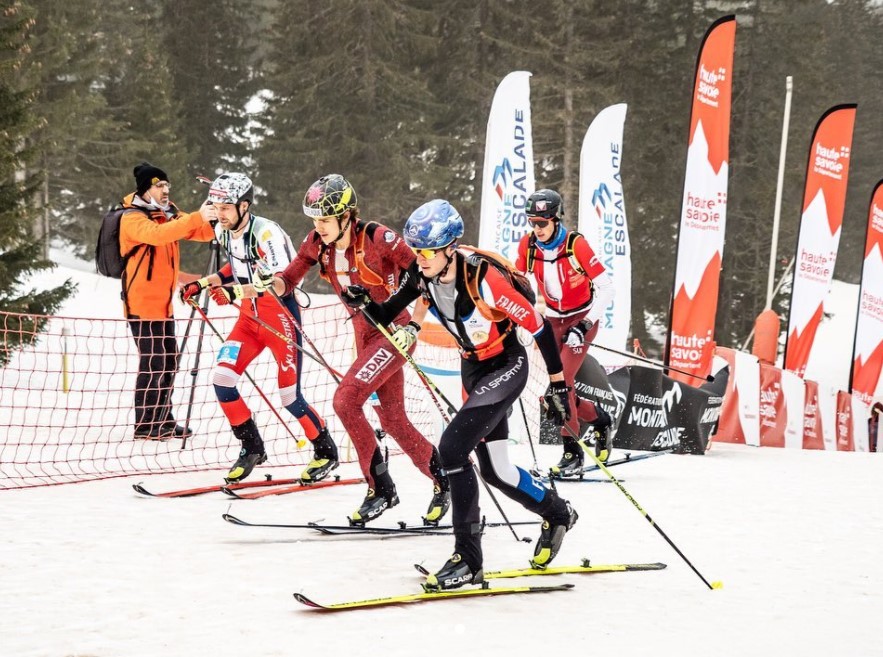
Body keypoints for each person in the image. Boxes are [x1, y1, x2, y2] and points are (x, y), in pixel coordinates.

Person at [344, 199, 577, 590]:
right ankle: (557, 513)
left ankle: (468, 560)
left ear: (449, 248)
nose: (419, 260)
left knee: (452, 449)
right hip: (473, 368)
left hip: (505, 366)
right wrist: (365, 303)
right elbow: (386, 315)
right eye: (417, 251)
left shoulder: (485, 279)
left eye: (427, 252)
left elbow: (536, 327)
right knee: (496, 470)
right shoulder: (422, 275)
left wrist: (558, 385)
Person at [263, 174, 450, 525]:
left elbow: (423, 275)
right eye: (314, 220)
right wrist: (266, 283)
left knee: (345, 401)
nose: (317, 227)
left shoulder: (379, 238)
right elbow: (288, 279)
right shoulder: (318, 243)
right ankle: (445, 480)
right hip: (364, 335)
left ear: (346, 215)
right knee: (393, 420)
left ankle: (380, 487)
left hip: (392, 332)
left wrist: (414, 326)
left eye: (324, 220)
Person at [179, 173, 336, 484]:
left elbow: (280, 282)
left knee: (290, 398)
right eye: (215, 206)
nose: (219, 213)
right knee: (222, 381)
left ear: (244, 206)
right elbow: (235, 267)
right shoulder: (224, 231)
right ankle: (251, 447)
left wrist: (236, 293)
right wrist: (202, 282)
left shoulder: (266, 233)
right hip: (249, 320)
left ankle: (325, 451)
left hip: (278, 317)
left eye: (225, 207)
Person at [515, 189, 615, 476]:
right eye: (532, 222)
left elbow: (607, 289)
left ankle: (572, 454)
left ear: (555, 219)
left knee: (562, 383)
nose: (537, 229)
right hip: (553, 321)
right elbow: (519, 283)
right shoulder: (529, 245)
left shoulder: (575, 245)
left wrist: (583, 327)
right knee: (558, 391)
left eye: (542, 223)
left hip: (582, 317)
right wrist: (522, 318)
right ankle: (600, 421)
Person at [119, 162, 215, 440]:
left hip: (163, 303)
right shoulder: (132, 217)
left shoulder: (168, 213)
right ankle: (146, 424)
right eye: (159, 185)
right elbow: (158, 236)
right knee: (154, 361)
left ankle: (164, 418)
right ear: (145, 188)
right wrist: (197, 216)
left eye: (167, 186)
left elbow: (201, 232)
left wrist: (215, 215)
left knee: (169, 359)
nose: (165, 190)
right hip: (141, 303)